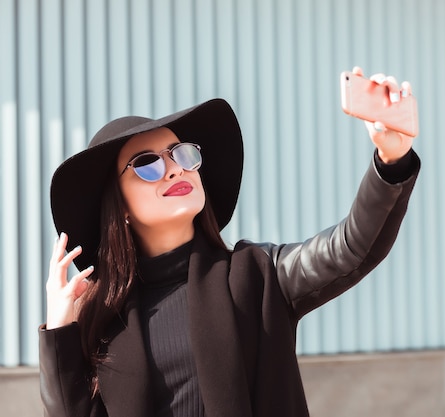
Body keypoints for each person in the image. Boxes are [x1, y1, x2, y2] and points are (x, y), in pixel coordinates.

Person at [39, 67, 421, 417]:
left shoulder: (257, 275)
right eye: (148, 164)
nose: (174, 168)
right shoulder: (102, 317)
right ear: (118, 206)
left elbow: (352, 247)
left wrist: (392, 160)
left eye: (182, 154)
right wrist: (60, 333)